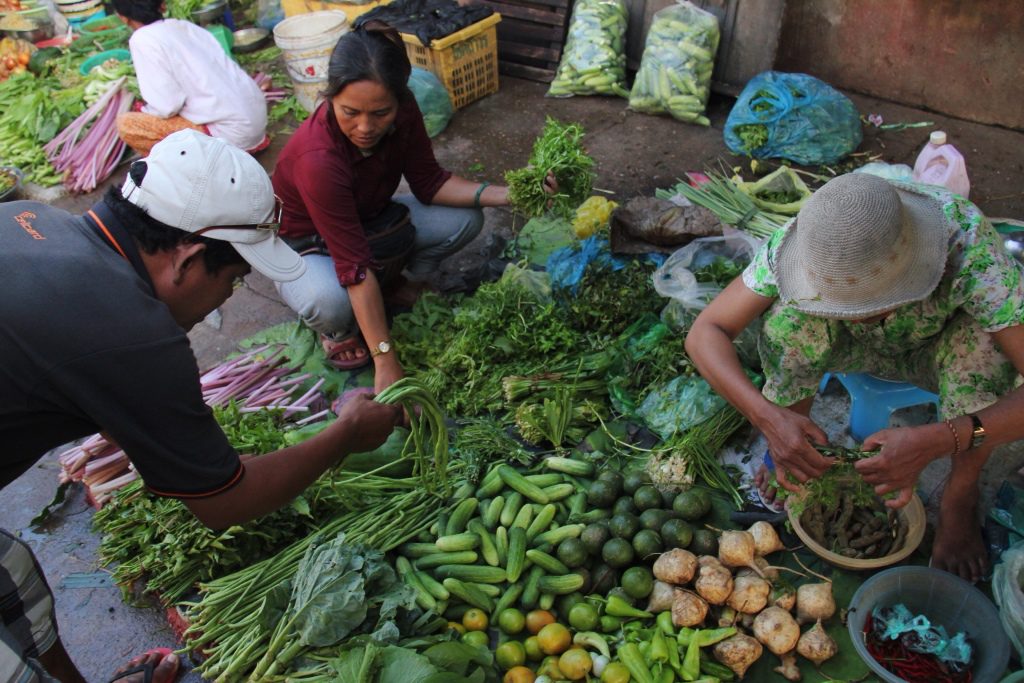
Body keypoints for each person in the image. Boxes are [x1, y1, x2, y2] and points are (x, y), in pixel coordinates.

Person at [0, 130, 401, 683]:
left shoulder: (31, 220)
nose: (229, 298)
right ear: (188, 259)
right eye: (235, 281)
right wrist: (345, 434)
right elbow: (223, 504)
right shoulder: (132, 333)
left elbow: (62, 358)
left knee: (14, 580)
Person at [685, 172, 1024, 583]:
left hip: (937, 346)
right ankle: (795, 450)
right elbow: (706, 333)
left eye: (868, 302)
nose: (857, 310)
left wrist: (941, 438)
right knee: (790, 323)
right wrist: (768, 419)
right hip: (855, 347)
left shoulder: (968, 246)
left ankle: (959, 493)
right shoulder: (809, 241)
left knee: (987, 351)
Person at [271, 21, 555, 390]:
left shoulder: (404, 111)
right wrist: (385, 359)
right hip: (305, 246)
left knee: (466, 218)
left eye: (380, 113)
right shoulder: (318, 159)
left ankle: (393, 285)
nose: (365, 127)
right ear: (329, 97)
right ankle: (337, 331)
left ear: (398, 100)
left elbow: (429, 182)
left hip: (368, 221)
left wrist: (511, 193)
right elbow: (353, 265)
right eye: (350, 111)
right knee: (331, 301)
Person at [113, 0, 269, 156]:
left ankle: (197, 169)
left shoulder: (142, 39)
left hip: (232, 135)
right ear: (162, 5)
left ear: (122, 18)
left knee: (127, 125)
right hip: (255, 121)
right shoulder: (184, 26)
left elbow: (167, 105)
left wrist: (144, 110)